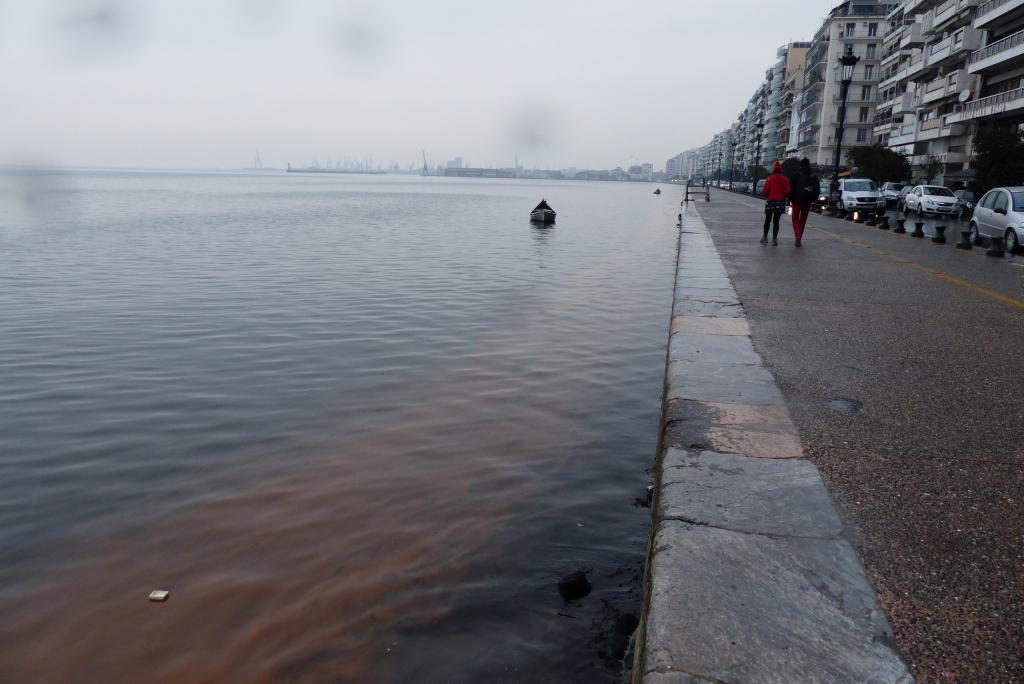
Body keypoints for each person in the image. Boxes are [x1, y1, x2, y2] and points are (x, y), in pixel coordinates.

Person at [787, 158, 819, 248]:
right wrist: (813, 199)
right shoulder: (814, 176)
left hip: (796, 201)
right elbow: (817, 190)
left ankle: (797, 235)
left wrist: (789, 199)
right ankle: (799, 238)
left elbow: (790, 189)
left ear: (800, 165)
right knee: (803, 220)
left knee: (795, 219)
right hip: (807, 201)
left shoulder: (795, 175)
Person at [760, 161, 791, 246]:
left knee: (767, 220)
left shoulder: (769, 178)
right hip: (780, 202)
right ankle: (774, 239)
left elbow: (764, 191)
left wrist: (768, 195)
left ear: (773, 170)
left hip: (770, 202)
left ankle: (765, 238)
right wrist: (783, 194)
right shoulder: (785, 179)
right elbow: (788, 191)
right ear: (781, 170)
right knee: (776, 221)